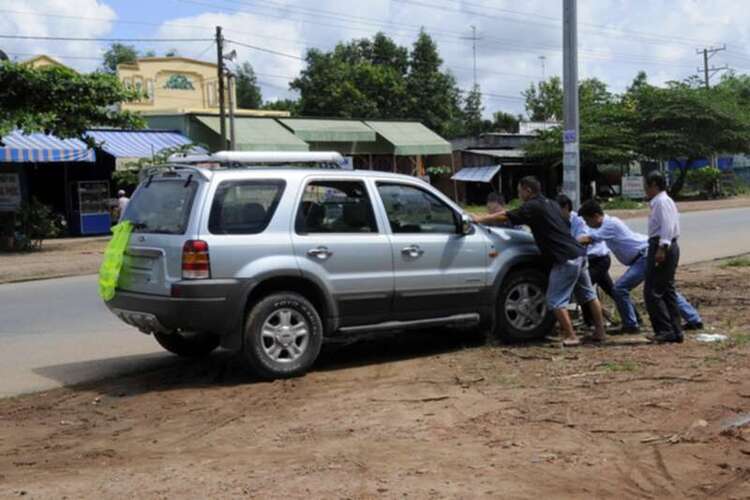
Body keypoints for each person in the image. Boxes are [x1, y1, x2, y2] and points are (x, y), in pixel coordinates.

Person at [473, 176, 606, 346]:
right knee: (589, 295)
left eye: (520, 191)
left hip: (564, 258)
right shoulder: (551, 203)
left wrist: (479, 219)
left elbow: (507, 216)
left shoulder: (532, 206)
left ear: (528, 190)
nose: (519, 194)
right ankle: (600, 332)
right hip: (579, 254)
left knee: (555, 300)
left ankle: (571, 335)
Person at [577, 199, 702, 336]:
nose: (587, 224)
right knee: (664, 288)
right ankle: (693, 319)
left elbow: (589, 239)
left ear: (595, 216)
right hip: (644, 255)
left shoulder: (610, 224)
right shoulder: (607, 224)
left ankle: (631, 324)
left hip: (644, 256)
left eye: (587, 220)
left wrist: (567, 242)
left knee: (620, 288)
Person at [556, 194, 616, 326]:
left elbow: (582, 239)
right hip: (589, 260)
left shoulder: (579, 221)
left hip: (598, 259)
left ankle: (597, 319)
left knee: (584, 290)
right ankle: (597, 319)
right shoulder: (561, 221)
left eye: (557, 209)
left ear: (566, 208)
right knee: (611, 290)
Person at [642, 171, 684, 343]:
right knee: (666, 290)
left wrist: (662, 248)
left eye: (647, 185)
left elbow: (667, 226)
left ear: (654, 185)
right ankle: (675, 330)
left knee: (653, 291)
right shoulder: (661, 201)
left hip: (662, 245)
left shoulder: (661, 202)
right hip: (663, 245)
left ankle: (664, 330)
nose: (645, 189)